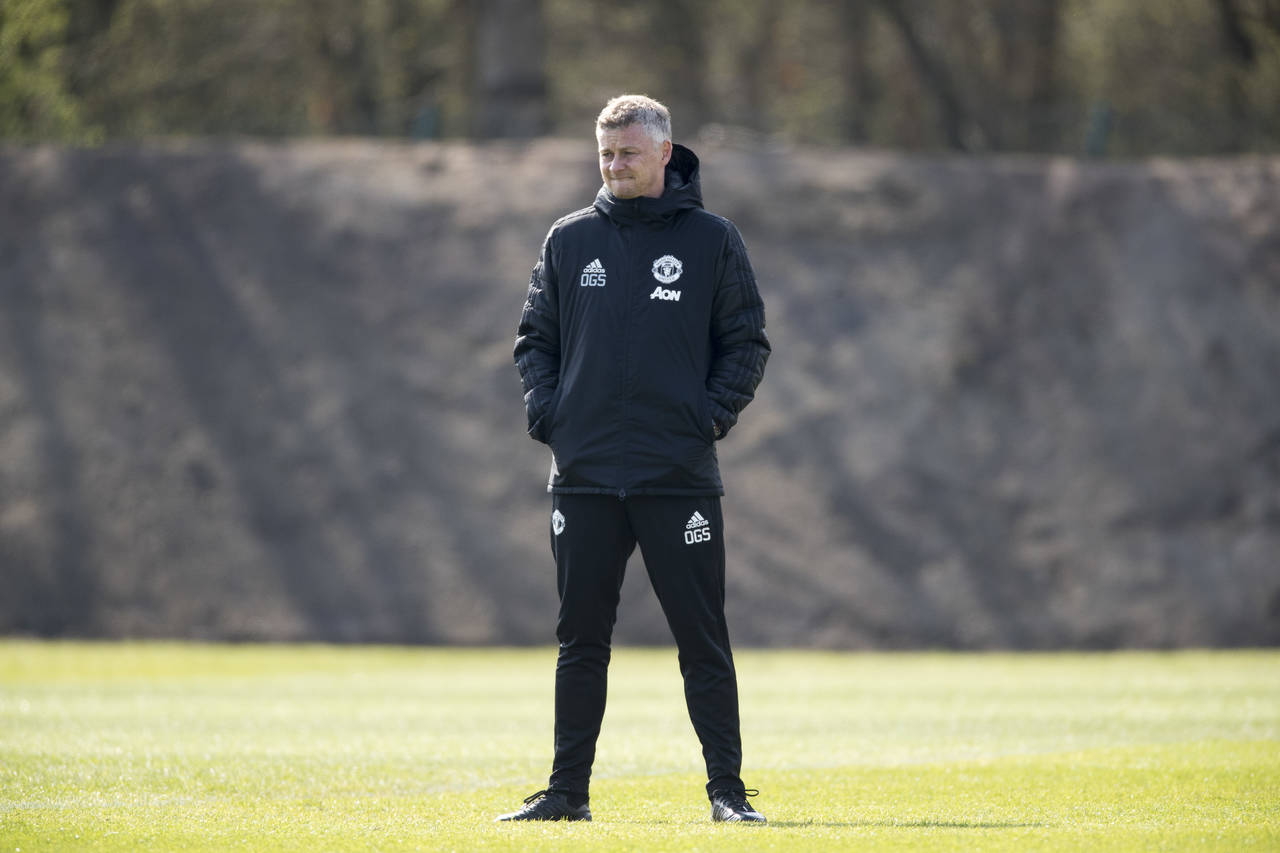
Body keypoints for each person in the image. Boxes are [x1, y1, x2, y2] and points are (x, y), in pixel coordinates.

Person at [500, 94, 771, 825]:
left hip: (676, 475)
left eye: (627, 152)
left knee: (701, 638)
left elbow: (747, 341)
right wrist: (551, 416)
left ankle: (728, 793)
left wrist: (708, 415)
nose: (614, 165)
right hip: (584, 476)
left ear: (663, 152)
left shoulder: (713, 240)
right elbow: (535, 342)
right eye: (605, 154)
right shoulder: (568, 240)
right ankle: (566, 793)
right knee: (580, 641)